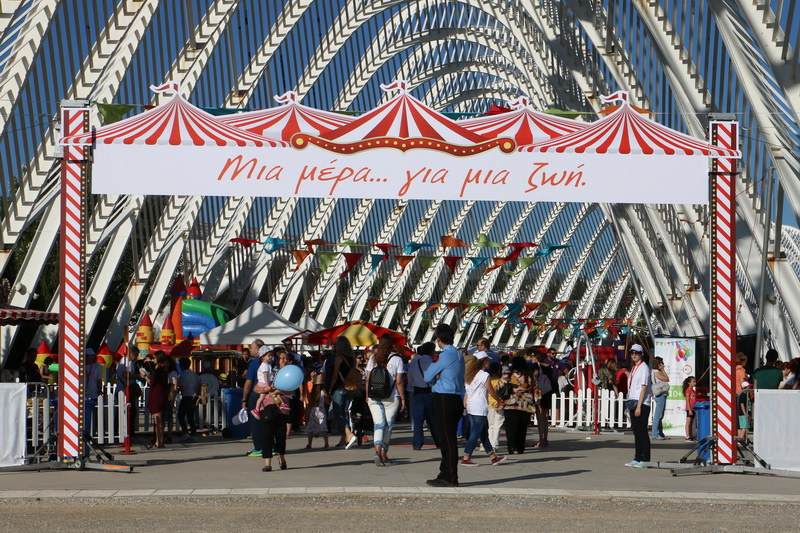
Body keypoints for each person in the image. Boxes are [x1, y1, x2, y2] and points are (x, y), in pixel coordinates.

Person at [423, 323, 466, 488]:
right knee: (449, 438)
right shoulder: (459, 355)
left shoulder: (444, 355)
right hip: (455, 397)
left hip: (443, 398)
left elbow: (427, 376)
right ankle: (445, 472)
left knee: (446, 439)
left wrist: (437, 376)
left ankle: (450, 476)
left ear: (438, 339)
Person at [366, 334, 406, 466]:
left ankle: (377, 451)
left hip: (374, 396)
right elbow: (399, 382)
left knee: (378, 424)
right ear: (392, 345)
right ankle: (384, 453)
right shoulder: (397, 360)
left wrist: (367, 395)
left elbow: (367, 379)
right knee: (388, 426)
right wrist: (403, 399)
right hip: (391, 396)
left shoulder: (373, 358)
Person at [461, 353, 506, 466]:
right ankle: (466, 458)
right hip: (479, 406)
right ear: (483, 362)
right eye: (487, 361)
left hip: (471, 406)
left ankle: (493, 457)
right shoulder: (484, 375)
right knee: (475, 433)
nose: (489, 363)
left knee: (482, 433)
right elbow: (491, 391)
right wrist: (499, 400)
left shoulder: (469, 375)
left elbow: (467, 392)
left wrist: (465, 403)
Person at [325, 336, 359, 449]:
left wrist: (329, 389)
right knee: (344, 412)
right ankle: (343, 439)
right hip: (350, 387)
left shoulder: (338, 357)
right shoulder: (352, 358)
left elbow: (335, 376)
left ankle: (349, 434)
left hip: (339, 387)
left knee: (337, 413)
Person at [499, 354, 536, 455]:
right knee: (522, 427)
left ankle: (511, 446)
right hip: (526, 404)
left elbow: (500, 385)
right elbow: (535, 390)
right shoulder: (529, 375)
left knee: (511, 426)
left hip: (511, 403)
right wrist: (537, 403)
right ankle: (520, 446)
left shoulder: (508, 374)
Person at [407, 341, 438, 450]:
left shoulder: (415, 362)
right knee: (433, 418)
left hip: (417, 392)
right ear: (431, 351)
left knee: (418, 420)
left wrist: (411, 388)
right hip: (430, 391)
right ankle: (438, 441)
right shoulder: (433, 363)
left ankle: (417, 443)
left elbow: (410, 377)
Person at [625, 344, 651, 468]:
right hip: (633, 401)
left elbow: (644, 387)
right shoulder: (634, 368)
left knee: (642, 432)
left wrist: (639, 406)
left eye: (637, 352)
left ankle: (645, 458)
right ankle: (637, 457)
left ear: (641, 354)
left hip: (641, 403)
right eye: (632, 352)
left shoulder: (644, 368)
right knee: (636, 432)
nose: (634, 354)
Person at [242, 342, 268, 456]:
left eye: (251, 348)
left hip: (256, 393)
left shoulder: (254, 362)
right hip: (268, 394)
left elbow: (249, 382)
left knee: (255, 422)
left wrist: (244, 399)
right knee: (267, 421)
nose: (250, 350)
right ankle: (270, 446)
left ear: (258, 349)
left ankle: (259, 447)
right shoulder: (270, 361)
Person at [144, 354, 170, 449]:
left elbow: (152, 382)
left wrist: (144, 376)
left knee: (157, 420)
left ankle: (158, 441)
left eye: (154, 358)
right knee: (160, 420)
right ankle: (160, 441)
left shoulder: (158, 371)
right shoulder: (164, 371)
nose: (153, 359)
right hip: (162, 395)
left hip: (156, 396)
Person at [115, 350, 142, 438]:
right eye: (136, 355)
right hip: (125, 389)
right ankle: (129, 433)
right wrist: (138, 376)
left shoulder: (123, 361)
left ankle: (117, 431)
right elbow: (125, 375)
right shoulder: (127, 362)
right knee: (131, 412)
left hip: (121, 388)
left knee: (120, 412)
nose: (137, 357)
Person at [531, 351, 555, 447]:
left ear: (536, 357)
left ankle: (541, 439)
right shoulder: (548, 366)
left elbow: (536, 375)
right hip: (547, 391)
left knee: (540, 416)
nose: (531, 358)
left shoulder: (537, 366)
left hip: (540, 392)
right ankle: (545, 438)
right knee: (545, 416)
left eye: (533, 356)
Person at [177, 357, 200, 442]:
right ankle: (193, 433)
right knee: (191, 417)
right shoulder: (195, 375)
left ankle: (185, 433)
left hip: (186, 396)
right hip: (194, 397)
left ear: (182, 366)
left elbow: (183, 387)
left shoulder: (183, 375)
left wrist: (176, 389)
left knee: (181, 416)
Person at [305, 372, 329, 449]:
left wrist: (307, 414)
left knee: (311, 428)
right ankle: (326, 443)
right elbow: (328, 402)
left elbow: (309, 404)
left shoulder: (312, 393)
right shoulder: (323, 392)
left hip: (313, 411)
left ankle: (309, 444)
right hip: (321, 410)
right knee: (323, 428)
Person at [486, 362, 505, 451]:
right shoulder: (501, 381)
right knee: (498, 424)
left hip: (489, 404)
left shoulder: (488, 379)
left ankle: (490, 444)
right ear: (498, 371)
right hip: (499, 403)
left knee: (491, 425)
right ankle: (495, 444)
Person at [650, 356, 669, 440]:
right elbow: (666, 379)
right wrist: (663, 370)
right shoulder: (656, 372)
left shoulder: (656, 371)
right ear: (658, 364)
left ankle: (660, 433)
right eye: (662, 363)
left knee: (660, 415)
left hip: (661, 394)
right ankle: (654, 434)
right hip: (660, 394)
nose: (663, 365)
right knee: (658, 415)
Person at [682, 376, 697, 441]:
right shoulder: (688, 390)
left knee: (691, 423)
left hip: (693, 409)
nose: (695, 383)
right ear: (689, 383)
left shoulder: (693, 390)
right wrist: (689, 409)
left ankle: (690, 435)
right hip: (689, 409)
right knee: (688, 423)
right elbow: (687, 401)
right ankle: (688, 436)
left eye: (695, 382)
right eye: (693, 382)